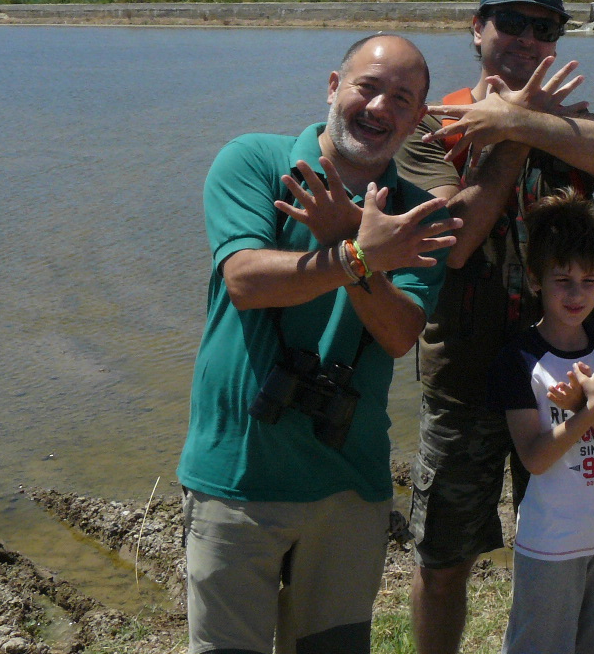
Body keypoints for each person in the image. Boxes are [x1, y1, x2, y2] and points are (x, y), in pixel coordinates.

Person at [176, 34, 463, 654]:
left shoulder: (424, 217)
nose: (381, 107)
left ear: (418, 119)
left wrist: (355, 252)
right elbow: (245, 281)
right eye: (369, 86)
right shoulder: (254, 160)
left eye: (403, 99)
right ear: (334, 86)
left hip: (348, 483)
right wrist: (359, 253)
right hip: (238, 473)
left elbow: (398, 333)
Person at [396, 0, 594, 654]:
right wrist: (510, 134)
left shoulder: (570, 123)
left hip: (565, 377)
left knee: (567, 545)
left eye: (544, 28)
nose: (526, 38)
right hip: (469, 379)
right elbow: (455, 242)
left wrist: (525, 120)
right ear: (477, 30)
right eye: (511, 21)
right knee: (445, 559)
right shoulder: (433, 130)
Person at [488, 189, 594, 654]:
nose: (577, 293)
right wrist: (591, 411)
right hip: (551, 538)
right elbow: (536, 458)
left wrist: (591, 409)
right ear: (535, 280)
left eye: (589, 280)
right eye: (563, 280)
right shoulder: (519, 359)